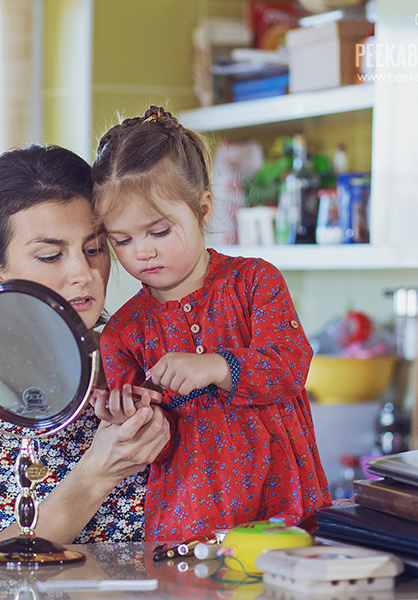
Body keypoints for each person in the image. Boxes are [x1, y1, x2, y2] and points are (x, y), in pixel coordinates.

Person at [0, 144, 170, 549]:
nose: (83, 273)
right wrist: (96, 474)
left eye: (94, 249)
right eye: (50, 255)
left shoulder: (157, 369)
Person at [90, 106, 332, 542]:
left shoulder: (255, 281)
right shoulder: (124, 332)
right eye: (122, 240)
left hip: (285, 504)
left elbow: (291, 365)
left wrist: (218, 366)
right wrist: (123, 409)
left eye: (159, 232)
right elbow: (144, 434)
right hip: (190, 521)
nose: (141, 252)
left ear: (202, 210)